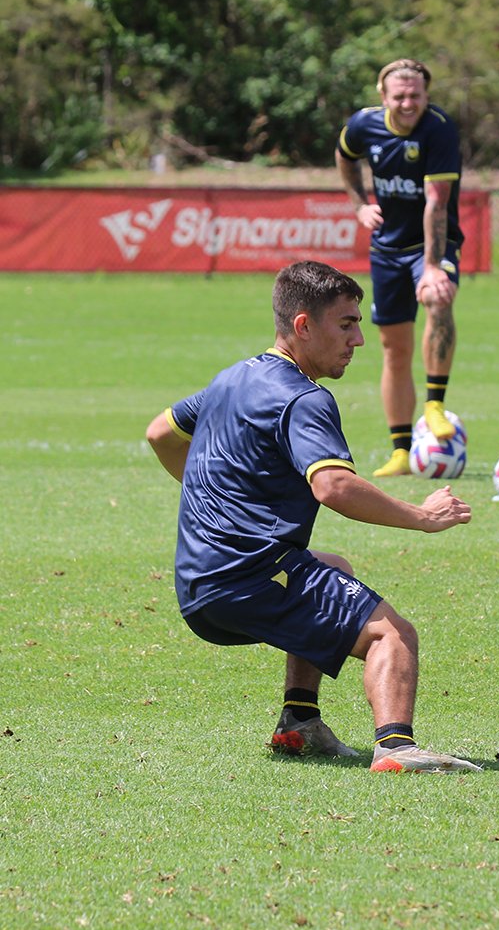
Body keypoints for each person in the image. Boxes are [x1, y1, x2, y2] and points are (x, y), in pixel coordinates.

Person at [145, 260, 480, 773]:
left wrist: (212, 498)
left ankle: (298, 722)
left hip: (197, 581)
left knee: (332, 567)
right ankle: (396, 749)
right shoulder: (304, 398)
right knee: (394, 635)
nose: (359, 339)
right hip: (249, 578)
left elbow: (160, 433)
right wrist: (422, 515)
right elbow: (334, 486)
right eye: (346, 324)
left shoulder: (232, 378)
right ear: (304, 326)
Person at [335, 58, 463, 477]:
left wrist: (431, 266)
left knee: (437, 297)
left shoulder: (439, 129)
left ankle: (435, 404)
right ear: (384, 96)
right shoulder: (363, 125)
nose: (409, 103)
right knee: (393, 348)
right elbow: (344, 156)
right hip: (386, 249)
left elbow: (437, 202)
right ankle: (402, 451)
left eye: (417, 95)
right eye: (400, 96)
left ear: (427, 94)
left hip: (431, 244)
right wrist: (359, 205)